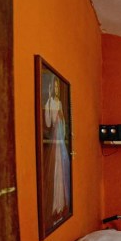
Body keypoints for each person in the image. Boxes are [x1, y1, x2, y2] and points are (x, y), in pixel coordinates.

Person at [43, 75, 70, 218]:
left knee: (62, 169)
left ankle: (61, 204)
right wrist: (52, 114)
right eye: (54, 86)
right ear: (51, 88)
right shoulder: (49, 103)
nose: (56, 89)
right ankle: (55, 206)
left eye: (58, 87)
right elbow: (47, 123)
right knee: (55, 170)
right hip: (55, 141)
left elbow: (64, 125)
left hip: (60, 142)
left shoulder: (58, 103)